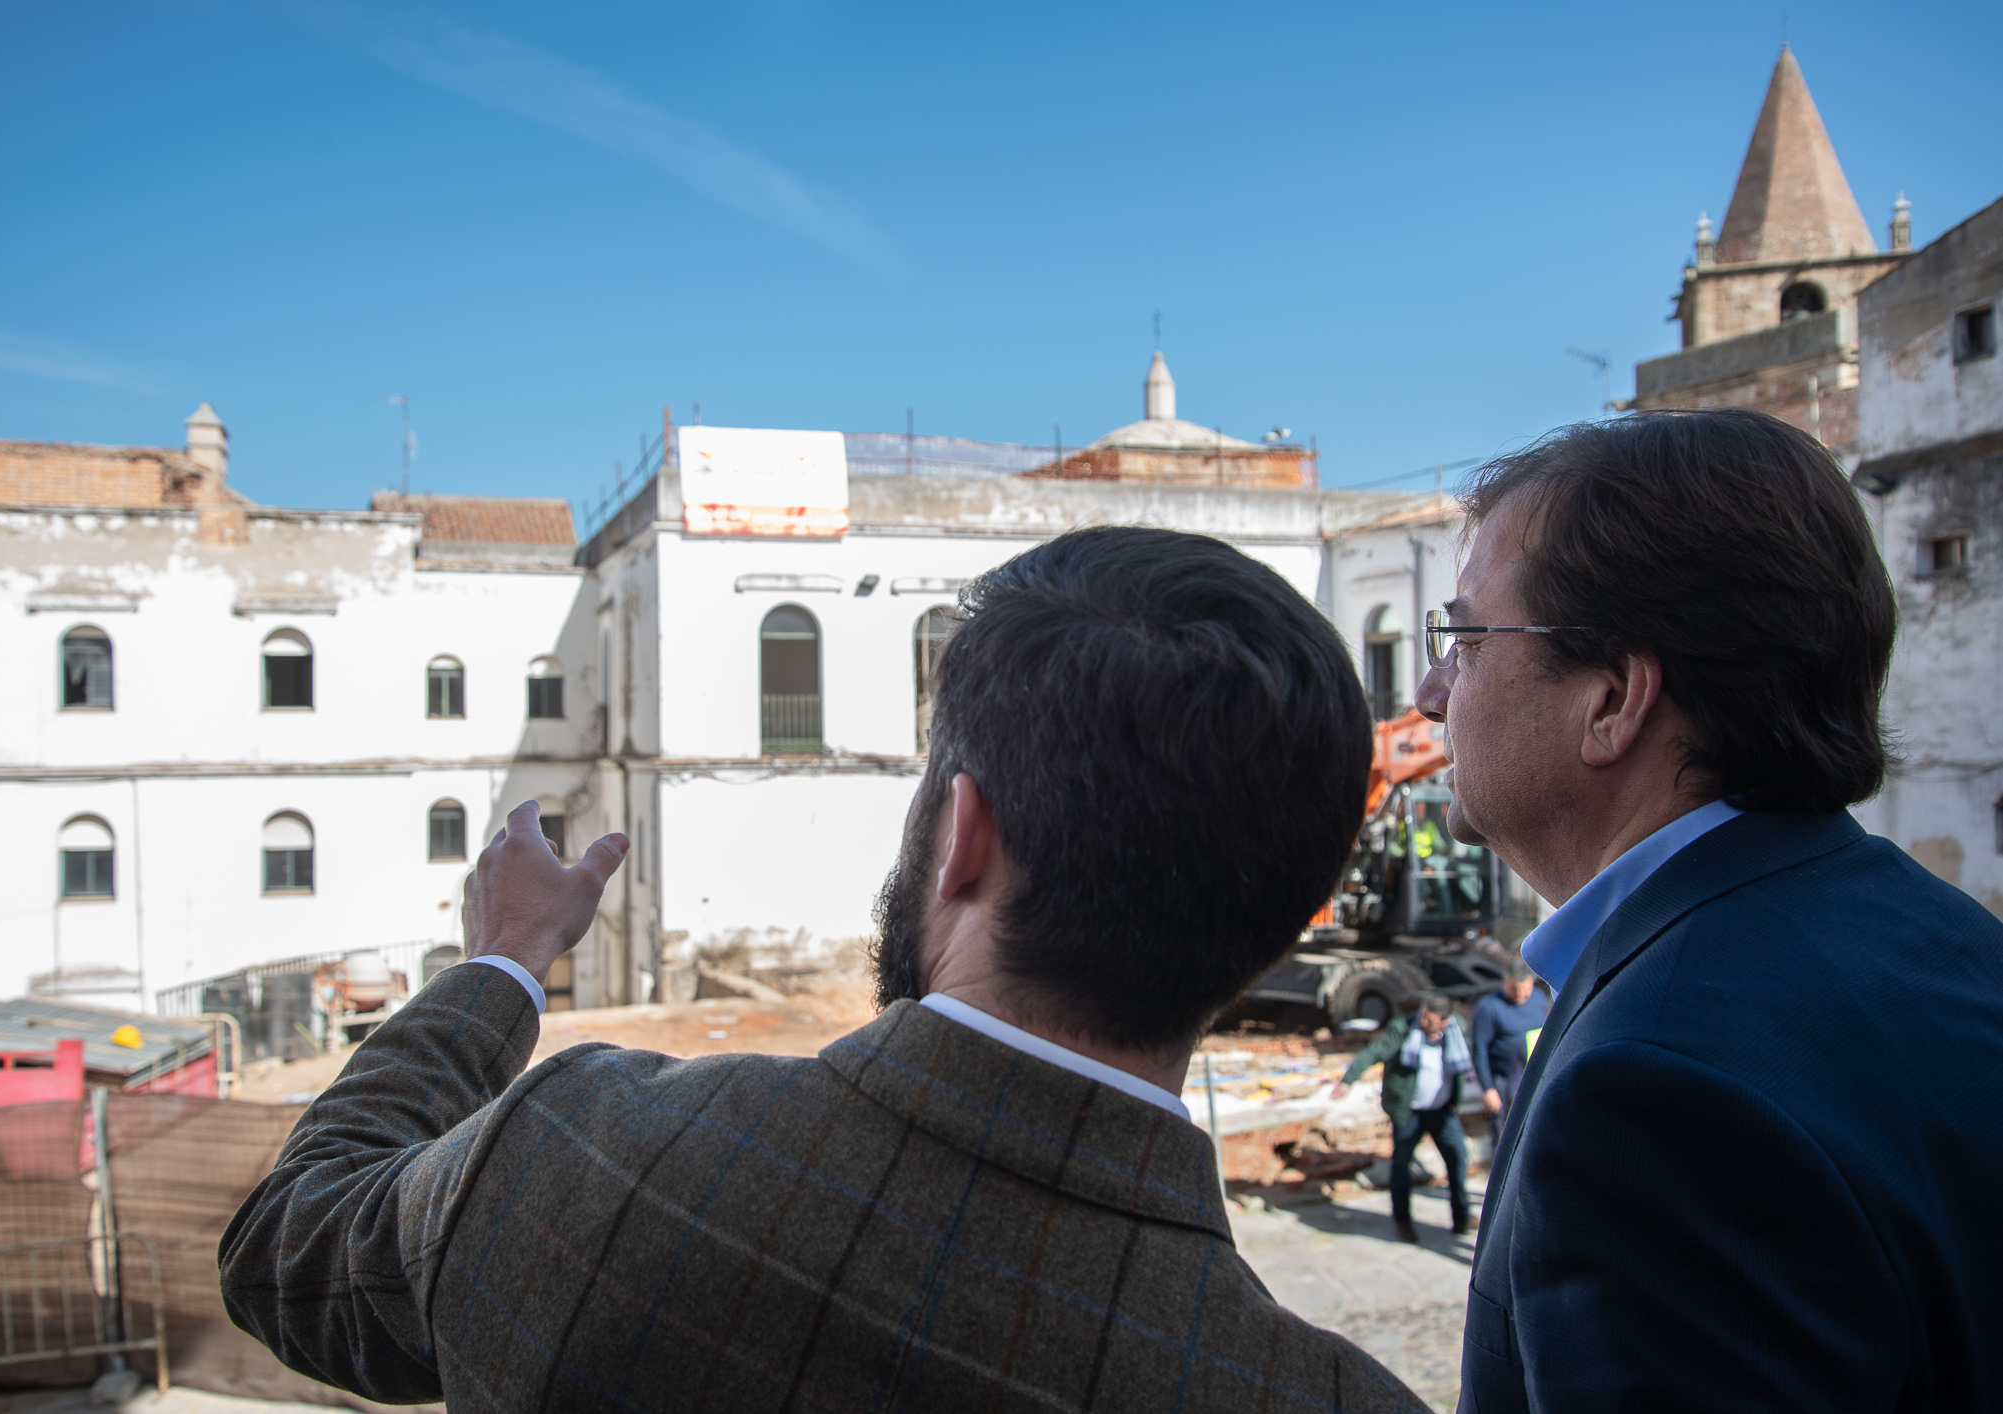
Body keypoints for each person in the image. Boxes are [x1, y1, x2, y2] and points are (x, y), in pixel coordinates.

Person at [219, 527, 1427, 1413]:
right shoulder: (1316, 1393)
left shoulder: (579, 1154)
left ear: (965, 835)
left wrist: (499, 969)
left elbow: (287, 1245)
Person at [1421, 410, 2003, 1411]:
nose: (1433, 691)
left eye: (1466, 638)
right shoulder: (1956, 942)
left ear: (1613, 698)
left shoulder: (1652, 1091)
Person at [1329, 993, 1473, 1242]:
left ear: (1445, 1022)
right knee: (1401, 1166)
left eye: (1430, 1020)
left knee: (1458, 1159)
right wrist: (1348, 1080)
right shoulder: (1404, 1030)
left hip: (1442, 1112)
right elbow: (1373, 1052)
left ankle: (1461, 1217)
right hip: (1409, 1113)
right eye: (1422, 1015)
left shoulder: (1457, 1033)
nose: (1423, 1021)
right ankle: (1403, 1220)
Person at [1468, 959, 1545, 1128]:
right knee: (1505, 1130)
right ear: (1505, 981)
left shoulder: (1539, 999)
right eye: (1514, 989)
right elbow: (1479, 1049)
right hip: (1503, 1080)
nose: (1520, 994)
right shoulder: (1489, 1008)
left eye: (1526, 989)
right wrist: (1488, 1088)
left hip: (1535, 1075)